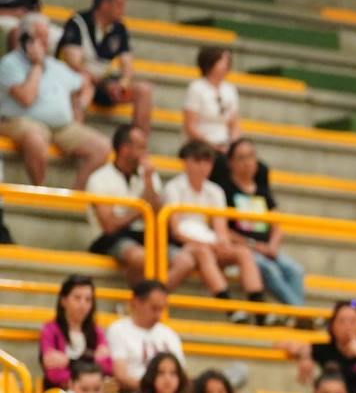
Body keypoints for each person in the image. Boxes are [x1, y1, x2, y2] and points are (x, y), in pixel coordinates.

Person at [0, 12, 109, 189]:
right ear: (25, 38)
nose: (45, 42)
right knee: (36, 138)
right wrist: (36, 64)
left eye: (46, 37)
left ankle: (75, 196)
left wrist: (79, 107)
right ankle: (40, 191)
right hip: (19, 121)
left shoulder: (56, 65)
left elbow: (84, 83)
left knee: (102, 147)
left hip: (62, 127)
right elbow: (27, 98)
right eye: (39, 38)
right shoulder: (9, 64)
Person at [163, 139, 267, 323]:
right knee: (203, 252)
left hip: (208, 243)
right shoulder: (173, 188)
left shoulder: (215, 191)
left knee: (243, 252)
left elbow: (221, 228)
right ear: (186, 162)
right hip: (183, 245)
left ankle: (260, 311)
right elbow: (176, 232)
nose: (203, 167)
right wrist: (208, 244)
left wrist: (223, 244)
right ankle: (229, 307)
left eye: (207, 161)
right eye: (198, 161)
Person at [86, 124, 197, 289]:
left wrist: (148, 183)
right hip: (110, 239)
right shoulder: (99, 179)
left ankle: (152, 301)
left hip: (146, 234)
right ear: (124, 149)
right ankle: (144, 303)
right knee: (142, 258)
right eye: (141, 147)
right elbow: (109, 226)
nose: (146, 152)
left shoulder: (149, 175)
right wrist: (140, 208)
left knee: (186, 262)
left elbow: (159, 214)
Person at [213, 138, 307, 322]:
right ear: (231, 163)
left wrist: (272, 245)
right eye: (241, 158)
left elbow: (277, 223)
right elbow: (223, 229)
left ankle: (296, 316)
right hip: (245, 249)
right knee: (269, 269)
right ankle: (301, 314)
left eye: (251, 156)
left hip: (266, 248)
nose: (248, 162)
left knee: (295, 270)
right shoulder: (224, 191)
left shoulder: (263, 190)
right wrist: (253, 245)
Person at [56, 0, 152, 133]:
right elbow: (74, 64)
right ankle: (76, 135)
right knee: (83, 82)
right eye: (119, 5)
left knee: (144, 90)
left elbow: (127, 64)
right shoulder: (77, 22)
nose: (123, 10)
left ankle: (138, 143)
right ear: (105, 4)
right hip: (74, 80)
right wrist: (103, 84)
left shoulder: (119, 28)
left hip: (103, 82)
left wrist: (122, 83)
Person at [106, 280, 183, 393]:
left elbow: (181, 374)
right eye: (154, 308)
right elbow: (121, 375)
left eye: (162, 309)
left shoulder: (170, 335)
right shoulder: (118, 330)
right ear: (135, 302)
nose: (158, 315)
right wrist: (155, 389)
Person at [38, 274, 112, 391]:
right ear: (63, 301)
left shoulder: (98, 331)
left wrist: (68, 361)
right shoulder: (50, 329)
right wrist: (91, 360)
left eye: (88, 299)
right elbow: (54, 374)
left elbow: (108, 367)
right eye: (77, 298)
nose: (83, 304)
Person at [183, 46, 239, 153]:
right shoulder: (196, 87)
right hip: (201, 144)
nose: (226, 65)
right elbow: (190, 127)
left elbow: (235, 125)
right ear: (210, 63)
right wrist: (212, 145)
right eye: (222, 61)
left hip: (225, 144)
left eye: (228, 62)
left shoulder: (230, 89)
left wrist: (232, 145)